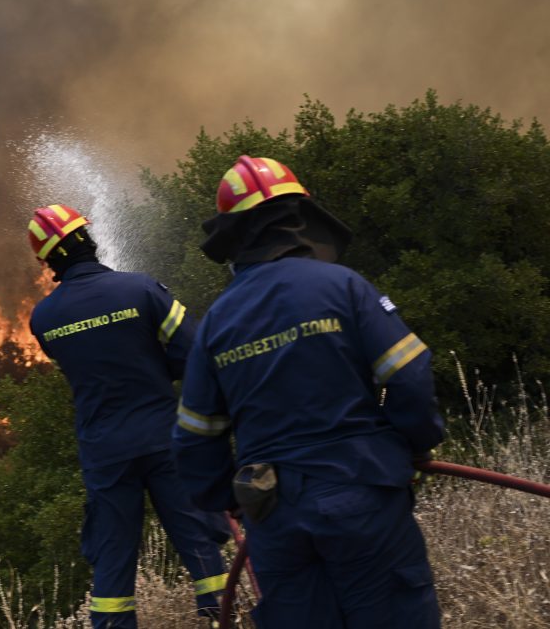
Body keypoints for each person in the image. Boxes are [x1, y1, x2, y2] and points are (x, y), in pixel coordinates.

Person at [171, 155, 446, 628]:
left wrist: (232, 500)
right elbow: (409, 375)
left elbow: (194, 435)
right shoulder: (343, 286)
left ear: (234, 234)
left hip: (276, 517)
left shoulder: (217, 321)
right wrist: (414, 447)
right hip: (364, 492)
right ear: (298, 217)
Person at [27, 204, 231, 629]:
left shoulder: (44, 319)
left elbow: (85, 369)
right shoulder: (140, 290)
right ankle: (223, 620)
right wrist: (157, 370)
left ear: (48, 260)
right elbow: (193, 354)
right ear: (88, 239)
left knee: (112, 562)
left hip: (105, 452)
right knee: (200, 545)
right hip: (163, 437)